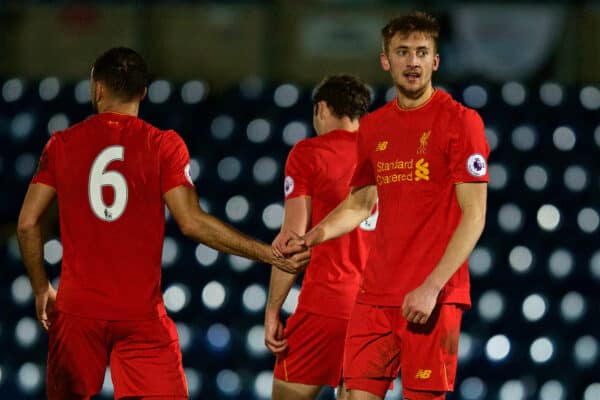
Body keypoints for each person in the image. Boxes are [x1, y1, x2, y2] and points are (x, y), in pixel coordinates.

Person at [16, 47, 309, 400]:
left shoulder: (61, 144)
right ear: (143, 92)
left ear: (97, 89)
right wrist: (269, 253)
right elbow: (192, 223)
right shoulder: (162, 145)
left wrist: (40, 288)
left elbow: (28, 224)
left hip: (77, 312)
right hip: (140, 315)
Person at [275, 12, 489, 400]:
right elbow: (360, 203)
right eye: (403, 52)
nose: (413, 61)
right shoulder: (373, 128)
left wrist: (432, 286)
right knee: (355, 395)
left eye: (422, 52)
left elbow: (475, 215)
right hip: (372, 297)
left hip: (434, 297)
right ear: (385, 60)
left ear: (435, 61)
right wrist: (315, 234)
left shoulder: (461, 122)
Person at [265, 74, 375, 400]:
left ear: (322, 109)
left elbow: (293, 239)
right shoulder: (388, 154)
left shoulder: (309, 153)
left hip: (328, 305)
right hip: (377, 313)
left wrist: (273, 310)